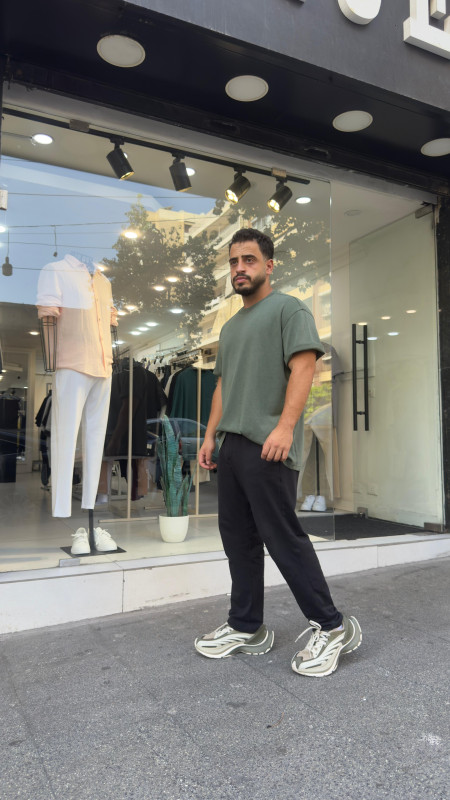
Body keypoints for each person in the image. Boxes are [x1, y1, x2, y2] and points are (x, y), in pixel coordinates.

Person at [195, 228, 361, 677]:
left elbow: (304, 367)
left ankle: (332, 626)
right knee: (238, 541)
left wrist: (286, 428)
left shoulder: (289, 308)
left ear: (268, 266)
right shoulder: (230, 327)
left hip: (269, 444)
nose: (239, 268)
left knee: (283, 538)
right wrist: (210, 437)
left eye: (248, 260)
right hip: (232, 445)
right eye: (234, 262)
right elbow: (223, 386)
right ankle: (246, 626)